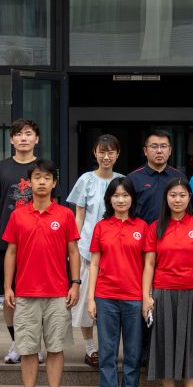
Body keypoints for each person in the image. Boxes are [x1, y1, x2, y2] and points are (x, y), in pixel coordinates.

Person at [3, 159, 80, 387]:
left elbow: (73, 251)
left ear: (54, 183)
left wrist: (75, 283)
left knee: (55, 347)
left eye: (47, 178)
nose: (42, 182)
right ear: (29, 183)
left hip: (57, 292)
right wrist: (8, 287)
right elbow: (11, 252)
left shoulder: (65, 214)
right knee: (27, 347)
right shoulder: (18, 215)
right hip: (26, 293)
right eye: (37, 177)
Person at [142, 177, 193, 387]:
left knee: (191, 343)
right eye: (173, 195)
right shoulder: (156, 226)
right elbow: (149, 264)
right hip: (163, 290)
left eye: (182, 195)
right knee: (165, 344)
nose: (177, 200)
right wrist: (146, 296)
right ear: (166, 198)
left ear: (189, 197)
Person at [87, 177, 150, 387]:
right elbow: (94, 264)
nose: (121, 200)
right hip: (106, 296)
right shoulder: (101, 227)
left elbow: (148, 265)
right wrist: (91, 298)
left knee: (133, 353)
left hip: (134, 298)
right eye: (116, 195)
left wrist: (146, 297)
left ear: (132, 199)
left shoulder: (142, 227)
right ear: (109, 199)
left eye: (125, 195)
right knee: (107, 352)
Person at [67, 134, 124, 369]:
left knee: (111, 300)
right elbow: (79, 215)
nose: (106, 156)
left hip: (116, 249)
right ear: (95, 153)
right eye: (102, 152)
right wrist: (74, 244)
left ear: (117, 154)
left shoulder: (121, 180)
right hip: (87, 247)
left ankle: (108, 348)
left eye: (111, 152)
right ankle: (90, 348)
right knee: (84, 301)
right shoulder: (86, 180)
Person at [0, 118, 38, 365]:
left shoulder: (44, 167)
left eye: (28, 133)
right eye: (18, 134)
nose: (23, 138)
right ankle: (17, 342)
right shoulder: (1, 168)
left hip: (37, 242)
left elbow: (54, 202)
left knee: (36, 295)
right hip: (6, 241)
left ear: (36, 139)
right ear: (11, 139)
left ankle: (34, 344)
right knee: (7, 295)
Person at [128, 129, 186, 225]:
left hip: (172, 230)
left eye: (163, 146)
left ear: (170, 150)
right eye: (154, 146)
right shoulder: (133, 178)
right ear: (145, 151)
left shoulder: (179, 176)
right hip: (142, 231)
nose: (159, 151)